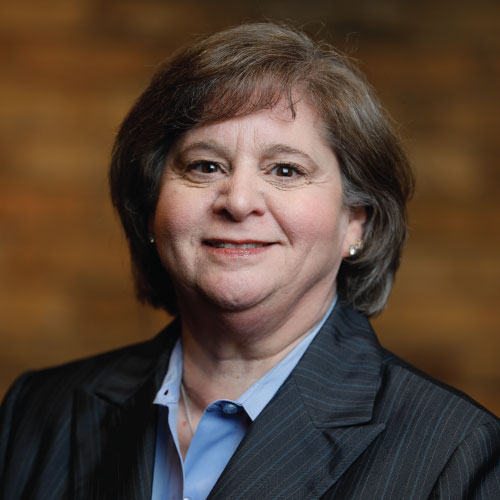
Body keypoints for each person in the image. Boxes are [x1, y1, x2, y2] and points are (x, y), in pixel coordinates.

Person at [1, 22, 499, 500]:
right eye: (205, 166)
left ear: (356, 222)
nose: (238, 202)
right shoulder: (37, 411)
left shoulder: (457, 453)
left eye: (285, 170)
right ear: (152, 206)